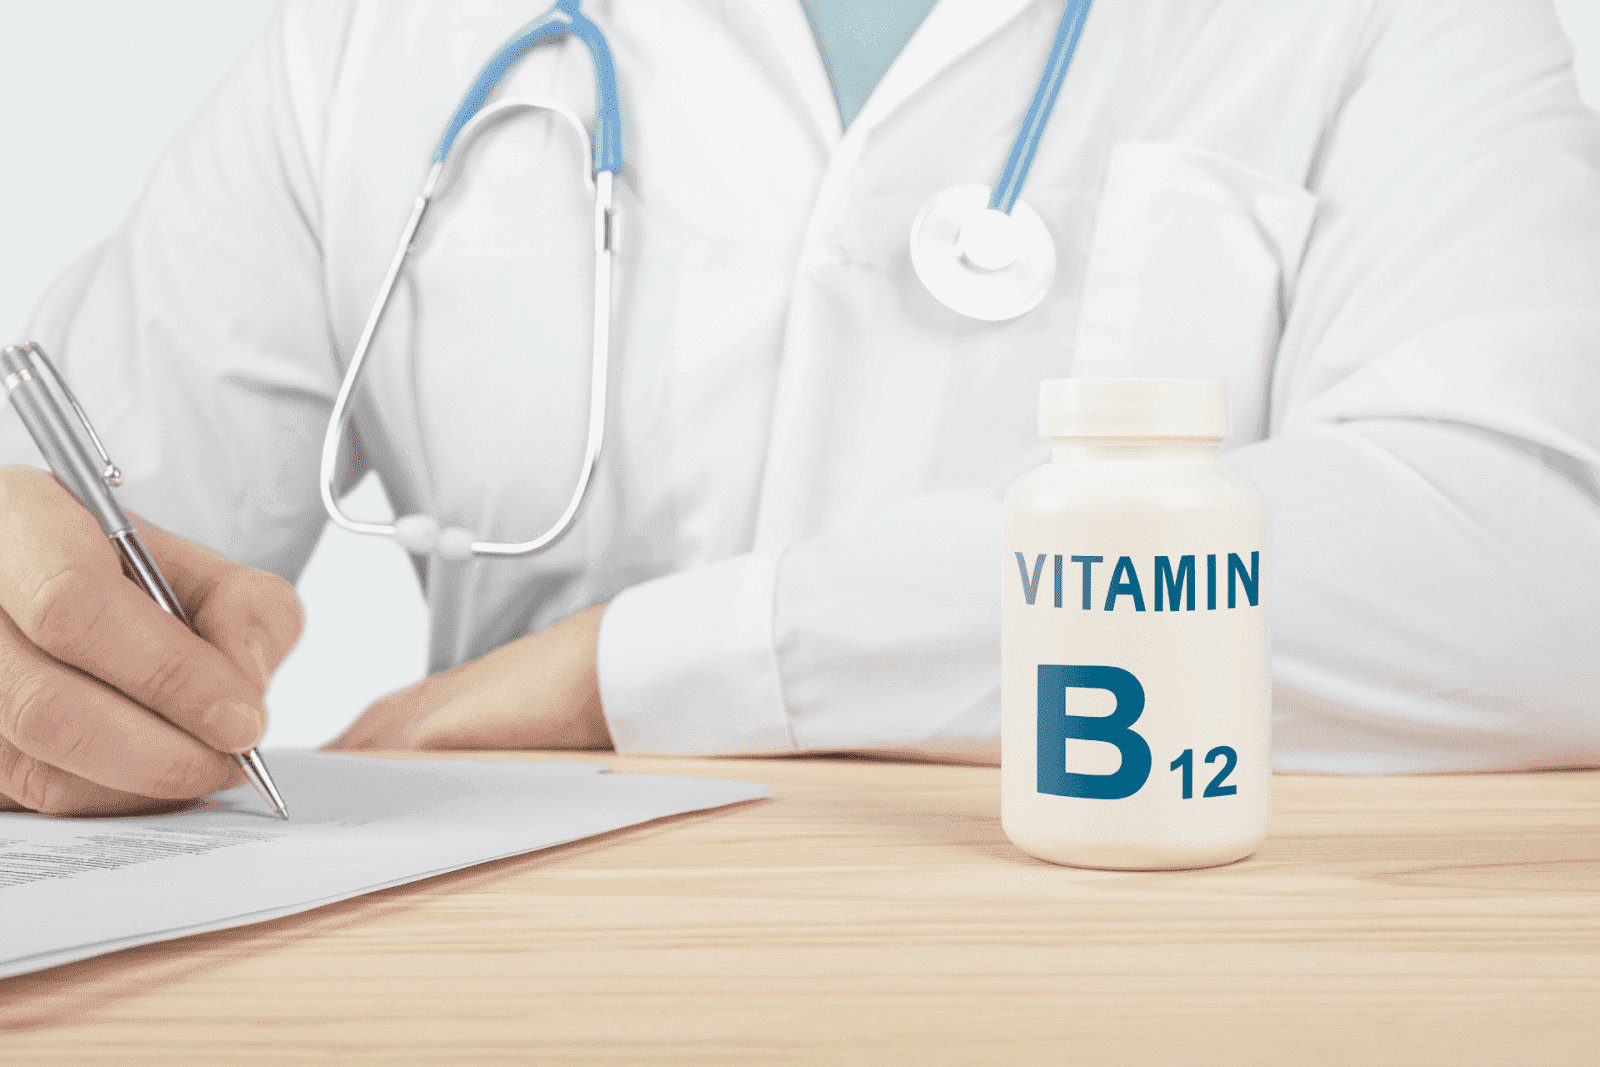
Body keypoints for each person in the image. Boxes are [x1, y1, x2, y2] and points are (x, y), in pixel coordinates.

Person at [3, 0, 1599, 817]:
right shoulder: (376, 35)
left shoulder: (1394, 19)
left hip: (1130, 999)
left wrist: (640, 669)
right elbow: (88, 530)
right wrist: (33, 623)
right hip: (521, 999)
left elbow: (1545, 570)